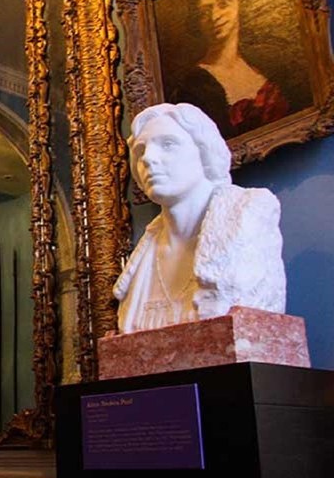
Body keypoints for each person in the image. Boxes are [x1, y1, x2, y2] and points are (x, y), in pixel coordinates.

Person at [113, 103, 286, 334]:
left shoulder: (247, 217)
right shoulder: (147, 250)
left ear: (204, 152)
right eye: (141, 150)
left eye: (168, 144)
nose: (148, 158)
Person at [174, 0, 289, 138]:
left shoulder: (267, 62)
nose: (215, 17)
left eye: (224, 3)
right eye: (205, 13)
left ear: (241, 5)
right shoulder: (193, 85)